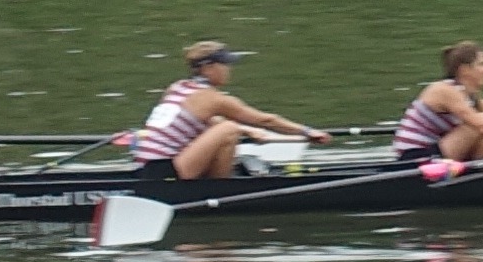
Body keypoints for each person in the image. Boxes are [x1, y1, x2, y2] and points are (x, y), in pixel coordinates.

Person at [131, 41, 333, 181]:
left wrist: (247, 131)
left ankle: (217, 180)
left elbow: (204, 121)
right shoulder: (214, 98)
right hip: (166, 171)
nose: (229, 69)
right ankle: (221, 186)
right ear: (208, 67)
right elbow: (265, 120)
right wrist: (307, 131)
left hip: (146, 168)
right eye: (225, 64)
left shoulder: (177, 87)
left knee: (227, 128)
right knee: (229, 129)